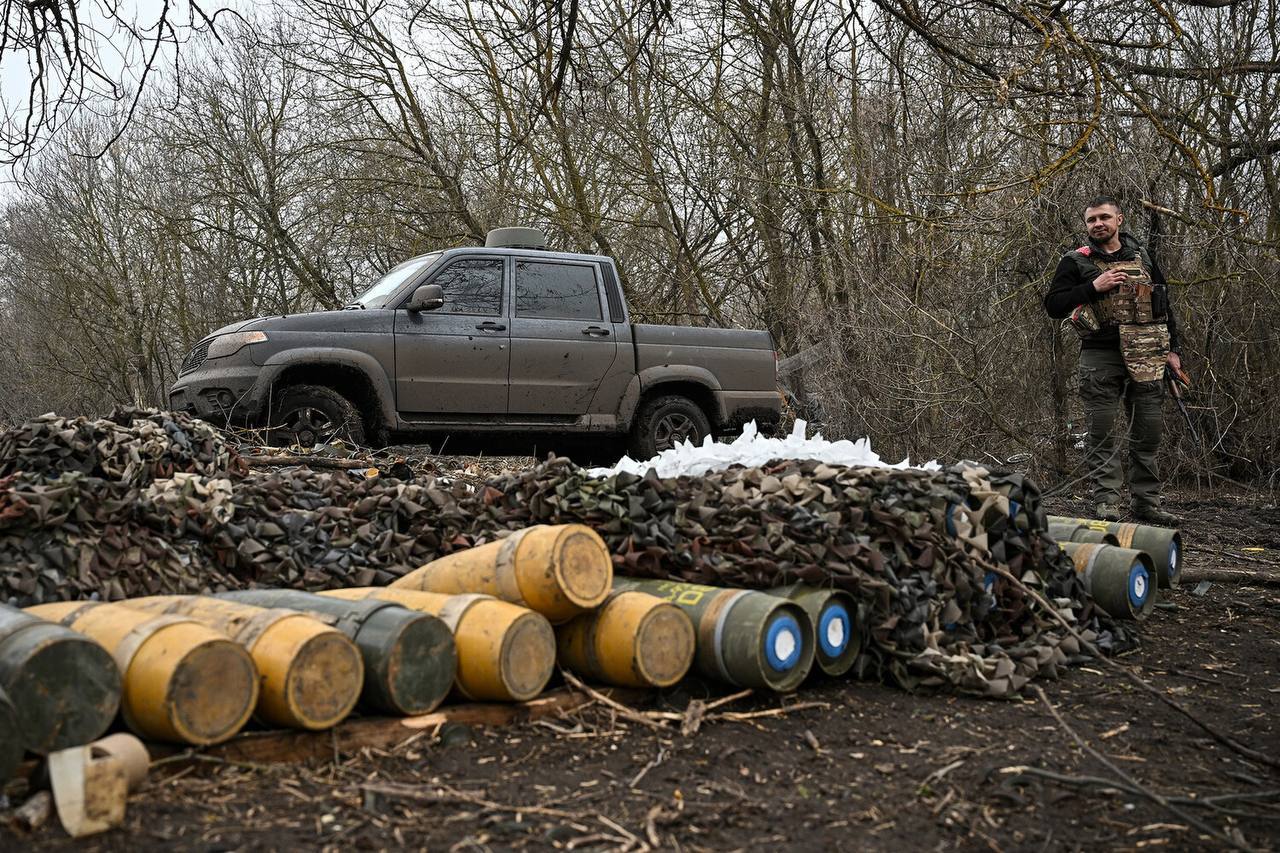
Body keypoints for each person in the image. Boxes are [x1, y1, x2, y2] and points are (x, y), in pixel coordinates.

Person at [1043, 196, 1181, 525]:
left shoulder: (1142, 256)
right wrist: (1093, 286)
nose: (1098, 224)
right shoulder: (1075, 261)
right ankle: (1106, 500)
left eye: (1104, 217)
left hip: (1148, 353)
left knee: (1147, 431)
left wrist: (1173, 350)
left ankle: (1146, 502)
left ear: (1119, 220)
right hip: (1100, 355)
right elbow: (1053, 305)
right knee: (1101, 431)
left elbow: (1163, 303)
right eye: (1091, 220)